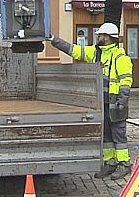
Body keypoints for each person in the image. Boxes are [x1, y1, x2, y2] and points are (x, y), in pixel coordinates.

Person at [50, 22, 133, 179]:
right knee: (106, 135)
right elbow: (75, 51)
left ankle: (124, 164)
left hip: (116, 102)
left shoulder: (120, 57)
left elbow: (126, 81)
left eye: (101, 35)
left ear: (108, 38)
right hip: (102, 102)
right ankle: (110, 163)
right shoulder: (97, 53)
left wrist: (123, 101)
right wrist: (54, 40)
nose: (98, 37)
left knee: (119, 135)